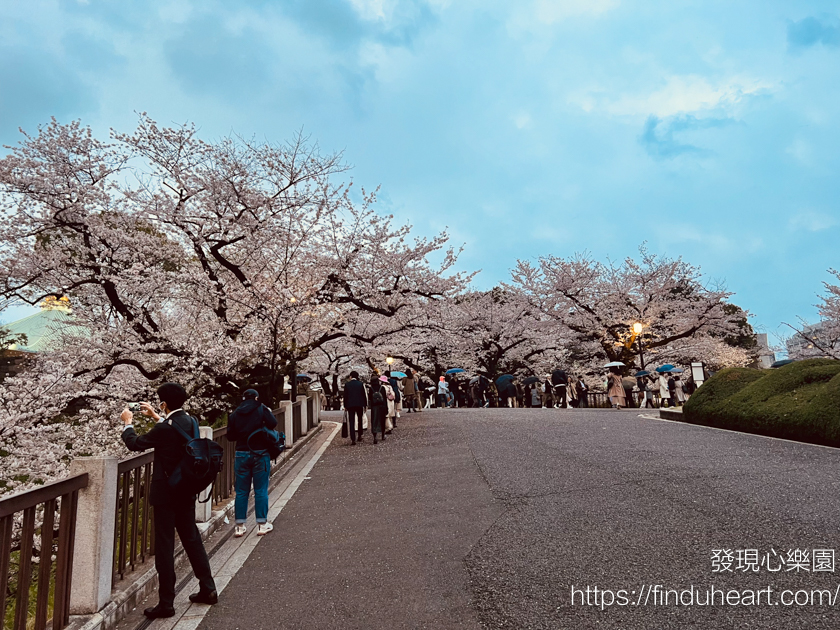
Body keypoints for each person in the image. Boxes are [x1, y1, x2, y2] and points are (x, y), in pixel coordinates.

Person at [121, 382, 217, 619]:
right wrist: (156, 416)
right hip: (186, 489)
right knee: (191, 539)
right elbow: (173, 432)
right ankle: (208, 588)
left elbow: (135, 443)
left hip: (166, 494)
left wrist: (127, 423)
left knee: (164, 546)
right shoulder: (191, 421)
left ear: (164, 403)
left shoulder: (165, 429)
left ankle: (166, 603)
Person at [226, 389, 278, 538]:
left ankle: (239, 527)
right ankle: (262, 524)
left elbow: (230, 436)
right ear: (256, 397)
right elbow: (273, 423)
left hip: (241, 454)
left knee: (242, 491)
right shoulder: (261, 408)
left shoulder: (235, 414)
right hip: (260, 453)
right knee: (260, 489)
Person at [343, 371, 368, 444]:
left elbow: (345, 396)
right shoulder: (360, 384)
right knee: (360, 420)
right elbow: (364, 395)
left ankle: (353, 438)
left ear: (351, 376)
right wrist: (365, 405)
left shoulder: (347, 385)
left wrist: (345, 405)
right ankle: (360, 435)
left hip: (350, 405)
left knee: (351, 421)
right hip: (359, 404)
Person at [368, 376, 388, 444]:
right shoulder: (382, 388)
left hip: (374, 407)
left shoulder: (371, 388)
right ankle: (383, 435)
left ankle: (375, 436)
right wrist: (386, 408)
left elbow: (370, 398)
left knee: (374, 421)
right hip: (382, 406)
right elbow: (385, 398)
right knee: (382, 420)